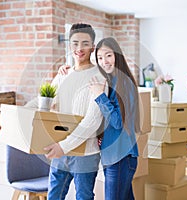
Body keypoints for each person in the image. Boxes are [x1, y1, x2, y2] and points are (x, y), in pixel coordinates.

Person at [0, 23, 107, 200]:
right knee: (54, 196)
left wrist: (63, 147)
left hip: (84, 153)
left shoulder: (100, 77)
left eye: (85, 43)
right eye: (75, 43)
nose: (79, 48)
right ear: (69, 46)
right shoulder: (63, 75)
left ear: (93, 46)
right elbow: (42, 102)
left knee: (84, 197)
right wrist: (8, 121)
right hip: (59, 149)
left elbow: (92, 121)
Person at [58, 37, 140, 200]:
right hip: (113, 157)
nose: (104, 62)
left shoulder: (125, 83)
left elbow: (117, 122)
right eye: (100, 58)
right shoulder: (109, 81)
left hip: (121, 158)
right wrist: (69, 70)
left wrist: (100, 96)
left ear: (117, 55)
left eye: (108, 55)